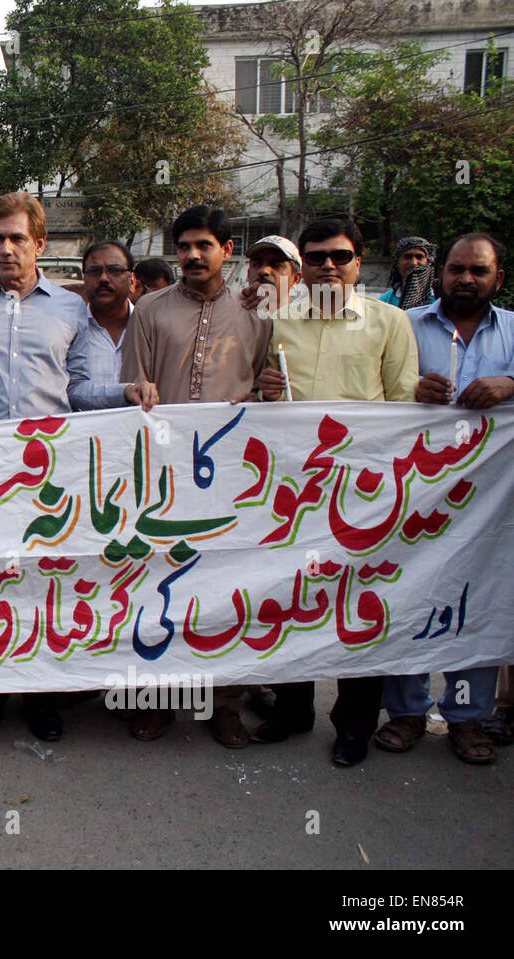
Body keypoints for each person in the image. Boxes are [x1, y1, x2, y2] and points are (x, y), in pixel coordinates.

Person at [0, 192, 154, 743]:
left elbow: (74, 389)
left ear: (40, 244)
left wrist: (124, 391)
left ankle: (43, 697)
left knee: (45, 583)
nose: (5, 248)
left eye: (16, 238)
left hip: (51, 468)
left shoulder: (70, 308)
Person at [255, 216, 418, 767]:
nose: (329, 265)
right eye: (317, 256)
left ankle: (353, 725)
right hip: (292, 493)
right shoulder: (274, 321)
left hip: (364, 494)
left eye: (340, 256)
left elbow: (407, 407)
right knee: (290, 601)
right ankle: (292, 709)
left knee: (360, 607)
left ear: (359, 259)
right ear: (301, 265)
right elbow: (256, 400)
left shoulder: (390, 322)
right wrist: (263, 389)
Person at [121, 205, 271, 750]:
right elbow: (132, 385)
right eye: (183, 246)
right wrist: (138, 391)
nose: (191, 255)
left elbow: (264, 390)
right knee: (158, 585)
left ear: (227, 250)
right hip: (160, 473)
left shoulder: (258, 316)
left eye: (204, 245)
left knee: (225, 589)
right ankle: (159, 701)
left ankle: (223, 704)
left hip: (232, 475)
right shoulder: (150, 311)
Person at [382, 233, 510, 765]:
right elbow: (376, 389)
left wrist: (510, 384)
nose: (465, 279)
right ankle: (406, 713)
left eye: (478, 271)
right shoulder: (405, 327)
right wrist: (410, 390)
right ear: (440, 274)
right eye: (456, 269)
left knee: (476, 600)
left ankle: (467, 717)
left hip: (490, 503)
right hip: (413, 496)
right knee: (406, 596)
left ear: (497, 278)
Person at [73, 240, 151, 409]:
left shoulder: (151, 327)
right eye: (94, 271)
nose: (103, 278)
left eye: (114, 270)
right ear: (84, 279)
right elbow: (69, 390)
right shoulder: (69, 329)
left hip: (144, 433)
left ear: (132, 281)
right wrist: (123, 392)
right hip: (87, 434)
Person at [380, 236, 435, 309]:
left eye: (419, 257)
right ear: (397, 262)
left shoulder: (440, 300)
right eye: (407, 257)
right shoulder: (384, 302)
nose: (413, 263)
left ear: (429, 263)